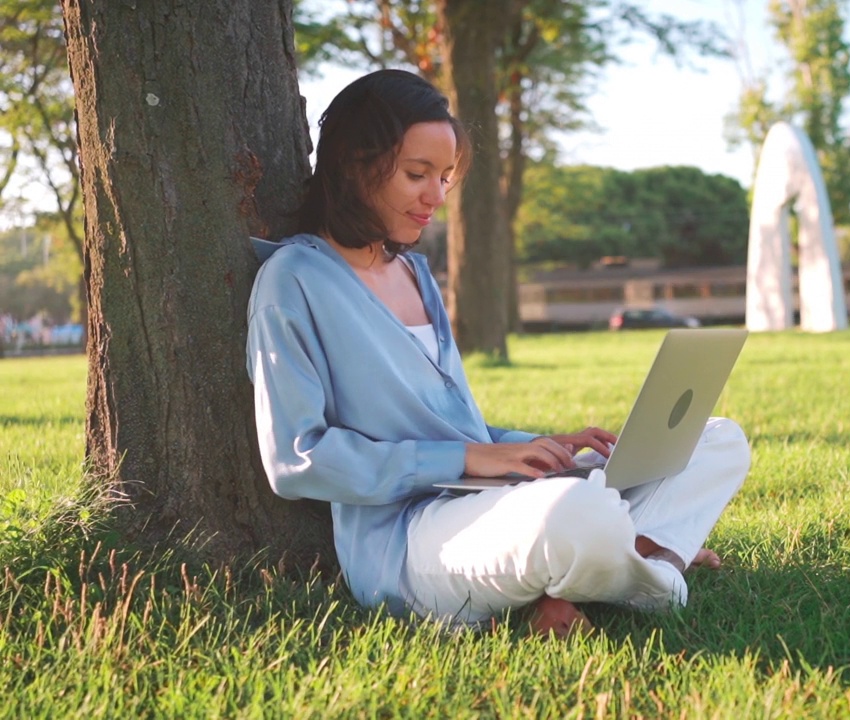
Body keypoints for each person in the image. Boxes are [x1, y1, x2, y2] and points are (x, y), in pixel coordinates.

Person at [245, 69, 750, 638]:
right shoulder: (292, 281)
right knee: (571, 512)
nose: (436, 197)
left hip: (494, 499)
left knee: (718, 441)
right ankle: (658, 563)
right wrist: (465, 460)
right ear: (355, 165)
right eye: (417, 174)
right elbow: (297, 460)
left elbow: (456, 425)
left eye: (444, 177)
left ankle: (616, 562)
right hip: (410, 538)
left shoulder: (412, 269)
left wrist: (537, 448)